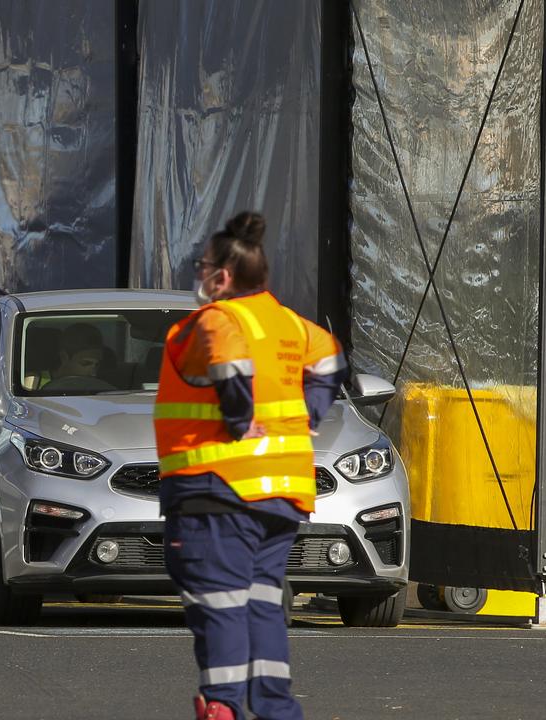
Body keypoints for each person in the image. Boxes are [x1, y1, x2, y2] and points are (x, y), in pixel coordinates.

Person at [154, 212, 346, 720]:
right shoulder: (287, 323)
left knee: (220, 605)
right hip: (281, 497)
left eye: (204, 266)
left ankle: (223, 709)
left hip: (216, 490)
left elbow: (229, 360)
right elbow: (329, 359)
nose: (200, 276)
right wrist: (311, 417)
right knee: (261, 605)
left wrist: (240, 419)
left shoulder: (216, 320)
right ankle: (276, 711)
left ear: (222, 277)